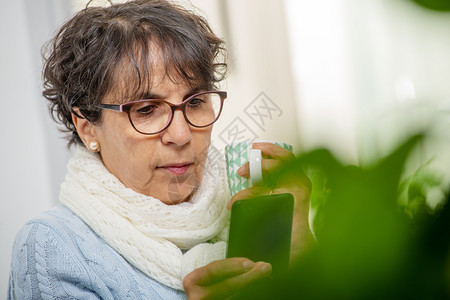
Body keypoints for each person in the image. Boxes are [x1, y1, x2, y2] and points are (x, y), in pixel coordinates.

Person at [8, 0, 313, 299]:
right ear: (87, 127)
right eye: (146, 110)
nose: (181, 135)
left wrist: (307, 259)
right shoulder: (53, 247)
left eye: (194, 102)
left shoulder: (252, 204)